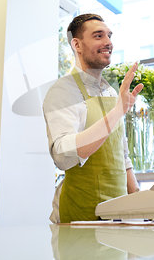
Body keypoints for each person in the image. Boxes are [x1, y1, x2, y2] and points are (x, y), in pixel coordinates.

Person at [43, 13, 143, 224]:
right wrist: (118, 111)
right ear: (77, 44)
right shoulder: (63, 91)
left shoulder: (110, 92)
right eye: (98, 36)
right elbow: (63, 155)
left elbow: (121, 156)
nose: (108, 42)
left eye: (109, 36)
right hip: (81, 217)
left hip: (118, 216)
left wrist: (141, 207)